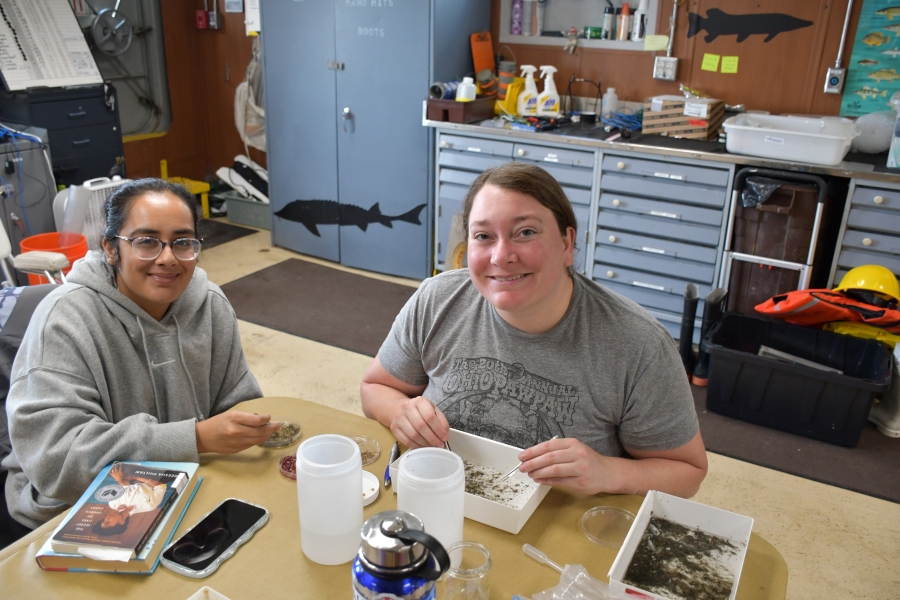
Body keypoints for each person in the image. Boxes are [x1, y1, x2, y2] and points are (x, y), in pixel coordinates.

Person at [361, 162, 708, 498]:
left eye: (525, 232)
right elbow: (374, 387)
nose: (501, 256)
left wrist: (609, 471)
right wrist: (400, 413)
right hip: (438, 495)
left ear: (566, 244)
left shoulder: (638, 344)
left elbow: (688, 472)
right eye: (483, 236)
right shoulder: (437, 300)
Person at [3, 178, 278, 533]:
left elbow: (237, 401)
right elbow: (58, 463)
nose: (167, 258)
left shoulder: (210, 304)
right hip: (75, 508)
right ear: (111, 248)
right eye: (146, 242)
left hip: (188, 485)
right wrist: (193, 439)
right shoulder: (64, 320)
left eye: (182, 243)